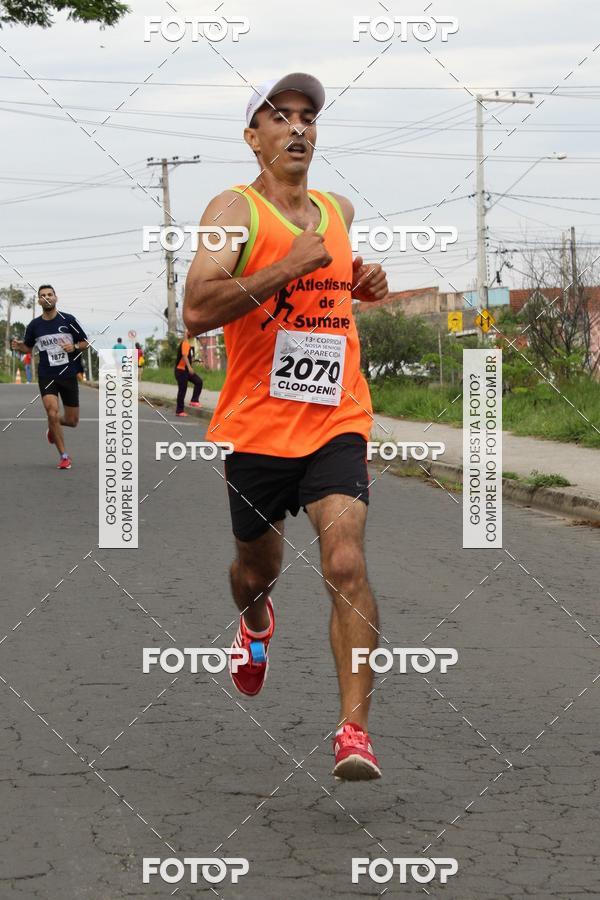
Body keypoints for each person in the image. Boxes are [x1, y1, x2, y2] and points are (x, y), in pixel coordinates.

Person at [184, 73, 388, 780]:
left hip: (337, 416)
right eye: (280, 118)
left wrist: (358, 282)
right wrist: (286, 264)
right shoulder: (230, 211)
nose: (298, 128)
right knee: (255, 571)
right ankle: (256, 619)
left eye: (308, 117)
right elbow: (197, 309)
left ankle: (353, 732)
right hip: (257, 427)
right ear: (253, 138)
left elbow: (330, 285)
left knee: (344, 562)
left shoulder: (339, 209)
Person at [11, 284, 89, 470]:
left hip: (69, 374)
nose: (47, 297)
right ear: (39, 301)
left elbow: (85, 342)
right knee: (51, 411)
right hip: (47, 374)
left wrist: (75, 347)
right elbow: (28, 347)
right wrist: (18, 345)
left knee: (72, 421)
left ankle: (53, 427)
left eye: (50, 294)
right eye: (43, 295)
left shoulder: (68, 320)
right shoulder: (35, 326)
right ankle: (64, 456)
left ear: (56, 297)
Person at [174, 330, 203, 416]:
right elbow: (184, 355)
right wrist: (190, 367)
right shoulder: (185, 343)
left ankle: (194, 400)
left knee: (198, 381)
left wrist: (195, 362)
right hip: (181, 370)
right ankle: (179, 411)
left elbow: (188, 357)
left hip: (185, 370)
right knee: (182, 390)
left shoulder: (188, 344)